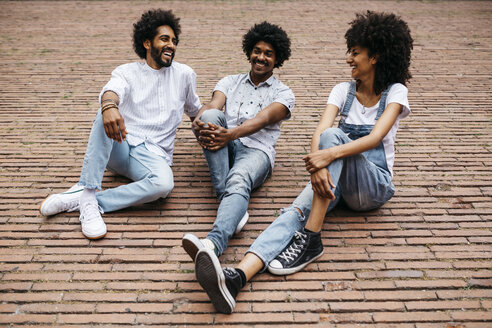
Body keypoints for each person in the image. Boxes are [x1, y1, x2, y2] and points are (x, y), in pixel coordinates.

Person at [193, 11, 414, 314]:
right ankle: (237, 277)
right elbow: (318, 134)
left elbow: (374, 139)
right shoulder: (342, 90)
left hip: (373, 184)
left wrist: (327, 157)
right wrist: (319, 167)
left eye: (355, 52)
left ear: (374, 57)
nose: (349, 59)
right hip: (335, 178)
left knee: (335, 138)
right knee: (293, 211)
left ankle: (312, 238)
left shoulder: (396, 92)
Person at [39, 9, 201, 240]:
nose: (171, 45)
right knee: (105, 110)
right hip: (120, 145)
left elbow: (196, 111)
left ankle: (88, 200)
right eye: (164, 39)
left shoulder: (185, 74)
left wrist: (215, 136)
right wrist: (109, 106)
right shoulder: (126, 72)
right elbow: (111, 91)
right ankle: (89, 189)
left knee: (163, 186)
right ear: (147, 42)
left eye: (174, 41)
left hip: (154, 156)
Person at [181, 22, 295, 263]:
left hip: (257, 151)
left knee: (239, 178)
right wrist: (200, 121)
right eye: (257, 51)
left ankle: (212, 244)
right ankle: (234, 204)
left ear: (277, 59)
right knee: (211, 117)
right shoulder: (230, 81)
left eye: (268, 54)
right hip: (225, 145)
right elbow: (213, 106)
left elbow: (262, 119)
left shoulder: (284, 93)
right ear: (249, 52)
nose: (261, 57)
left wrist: (230, 134)